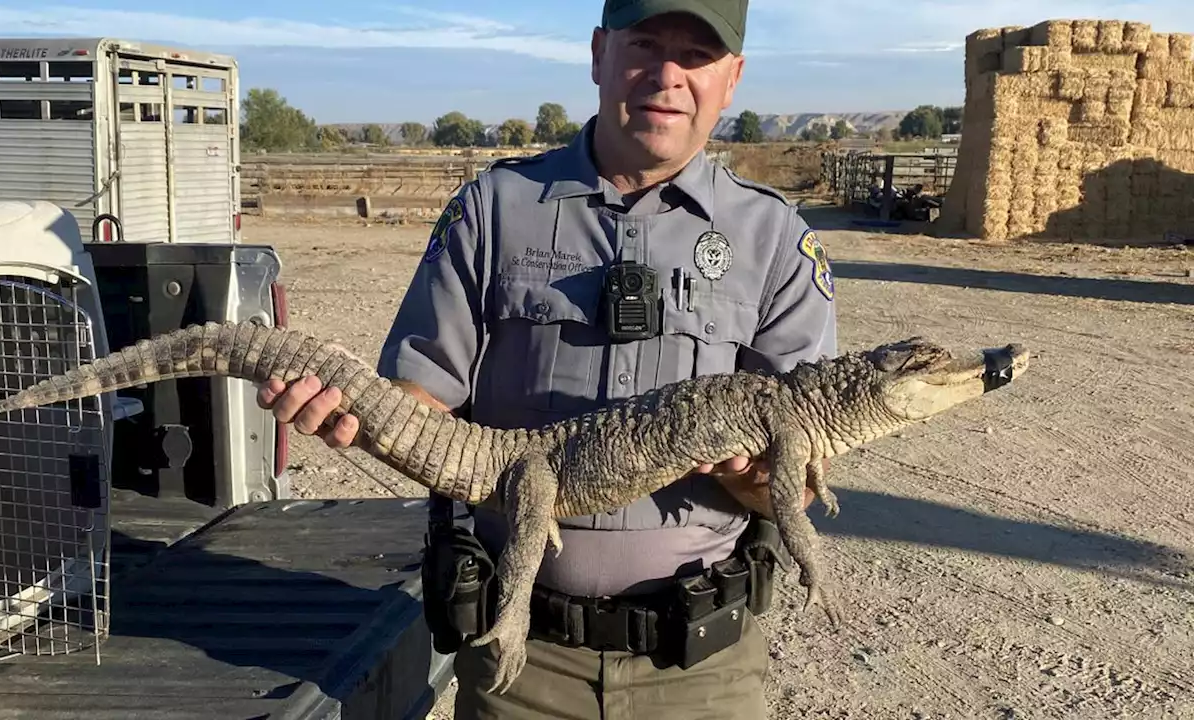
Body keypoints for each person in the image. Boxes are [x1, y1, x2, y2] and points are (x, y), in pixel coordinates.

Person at [257, 0, 838, 716]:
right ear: (598, 53)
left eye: (696, 55)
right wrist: (353, 409)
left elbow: (799, 487)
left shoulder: (776, 238)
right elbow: (423, 403)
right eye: (645, 45)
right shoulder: (495, 207)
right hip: (522, 663)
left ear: (733, 77)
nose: (667, 75)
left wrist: (757, 477)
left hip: (704, 671)